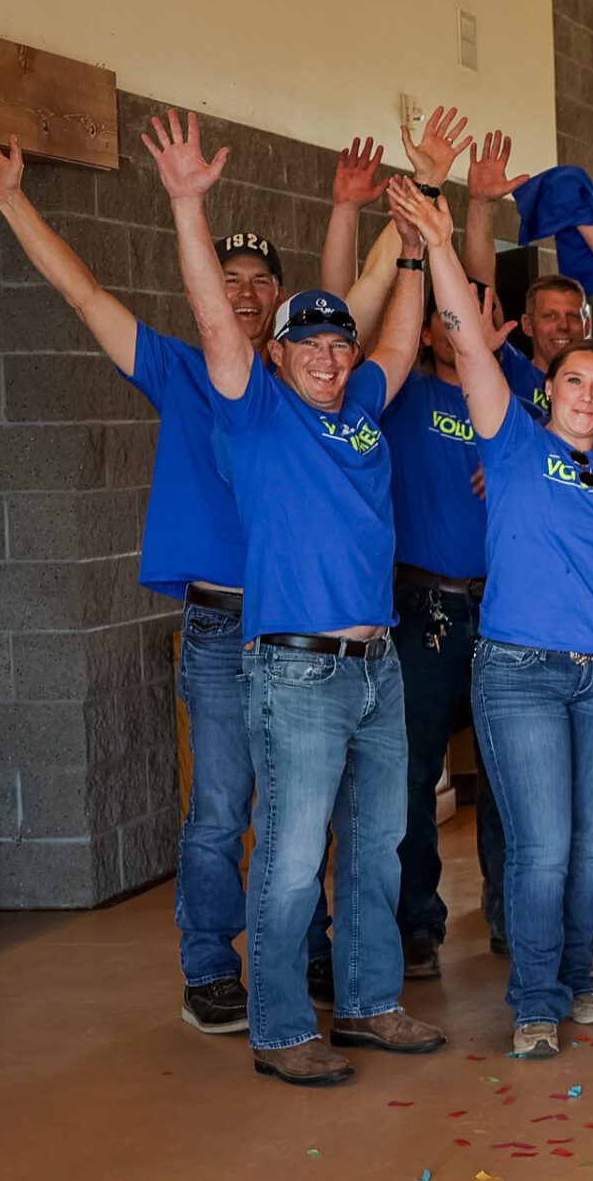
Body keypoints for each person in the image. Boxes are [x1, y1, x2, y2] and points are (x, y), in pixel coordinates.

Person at [0, 128, 385, 1034]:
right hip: (222, 628)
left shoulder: (313, 385)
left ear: (279, 306)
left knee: (308, 806)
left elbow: (351, 301)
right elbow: (86, 295)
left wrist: (354, 213)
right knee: (219, 809)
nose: (243, 294)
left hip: (306, 637)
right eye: (228, 279)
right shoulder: (181, 368)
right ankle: (210, 966)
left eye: (259, 284)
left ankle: (307, 950)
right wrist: (11, 199)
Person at [144, 109, 445, 1086]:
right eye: (304, 341)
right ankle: (279, 1026)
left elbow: (400, 334)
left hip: (378, 665)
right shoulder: (252, 411)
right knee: (288, 856)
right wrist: (189, 204)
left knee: (377, 846)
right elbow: (205, 311)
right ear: (272, 352)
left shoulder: (361, 405)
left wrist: (419, 232)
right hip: (298, 671)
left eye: (334, 342)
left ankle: (365, 1000)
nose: (325, 354)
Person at [393, 186, 593, 1057]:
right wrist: (440, 242)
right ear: (547, 391)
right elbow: (467, 341)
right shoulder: (509, 442)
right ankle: (536, 1000)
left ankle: (577, 980)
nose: (587, 395)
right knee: (542, 848)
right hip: (520, 674)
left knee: (590, 850)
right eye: (574, 381)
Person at [376, 110, 513, 973]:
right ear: (426, 329)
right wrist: (445, 203)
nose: (463, 324)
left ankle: (506, 909)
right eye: (445, 319)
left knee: (504, 774)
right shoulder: (396, 395)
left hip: (502, 610)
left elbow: (481, 293)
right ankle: (418, 919)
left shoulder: (511, 402)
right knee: (414, 772)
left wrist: (480, 208)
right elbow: (445, 290)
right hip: (422, 605)